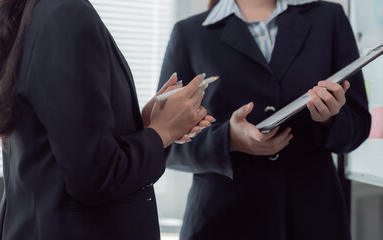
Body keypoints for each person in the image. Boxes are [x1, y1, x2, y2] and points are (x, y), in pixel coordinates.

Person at [0, 0, 213, 239]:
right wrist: (161, 132)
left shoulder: (43, 12)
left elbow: (68, 143)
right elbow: (96, 177)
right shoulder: (66, 14)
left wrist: (145, 124)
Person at [158, 0, 371, 239]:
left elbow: (359, 126)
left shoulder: (329, 18)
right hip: (221, 222)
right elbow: (165, 144)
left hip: (313, 219)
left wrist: (330, 119)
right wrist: (228, 139)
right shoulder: (189, 33)